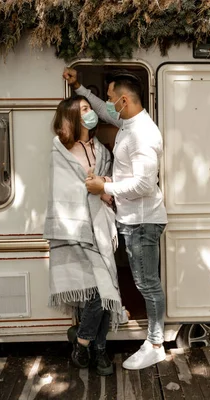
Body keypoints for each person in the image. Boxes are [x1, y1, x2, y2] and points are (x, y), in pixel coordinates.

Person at [63, 67, 168, 370]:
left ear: (124, 100)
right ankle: (153, 341)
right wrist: (80, 87)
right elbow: (100, 110)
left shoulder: (143, 134)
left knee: (147, 284)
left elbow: (145, 185)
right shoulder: (127, 122)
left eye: (110, 98)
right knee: (142, 281)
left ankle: (155, 344)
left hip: (143, 221)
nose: (107, 104)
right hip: (133, 218)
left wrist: (104, 186)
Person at [43, 94, 123, 375]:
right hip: (74, 229)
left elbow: (108, 181)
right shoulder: (61, 149)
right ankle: (94, 348)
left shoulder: (100, 148)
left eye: (91, 109)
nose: (91, 114)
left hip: (101, 227)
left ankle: (86, 346)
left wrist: (105, 185)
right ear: (73, 117)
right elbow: (62, 190)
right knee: (99, 293)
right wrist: (95, 187)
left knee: (104, 289)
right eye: (86, 109)